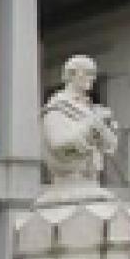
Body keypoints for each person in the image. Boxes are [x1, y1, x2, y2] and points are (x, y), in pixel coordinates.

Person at [39, 55, 118, 204]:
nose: (92, 78)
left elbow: (110, 146)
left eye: (93, 73)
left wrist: (105, 128)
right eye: (87, 72)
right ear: (71, 74)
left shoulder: (92, 109)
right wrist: (90, 126)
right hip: (68, 180)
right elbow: (58, 143)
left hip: (92, 180)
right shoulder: (57, 108)